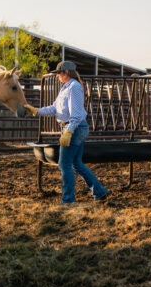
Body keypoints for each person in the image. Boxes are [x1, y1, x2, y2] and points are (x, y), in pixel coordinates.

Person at [24, 61, 109, 204]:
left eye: (59, 73)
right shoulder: (66, 88)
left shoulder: (74, 87)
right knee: (76, 164)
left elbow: (75, 114)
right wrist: (37, 111)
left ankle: (68, 200)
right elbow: (54, 108)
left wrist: (68, 132)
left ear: (67, 72)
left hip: (74, 128)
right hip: (75, 127)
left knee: (64, 164)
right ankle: (99, 192)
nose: (57, 76)